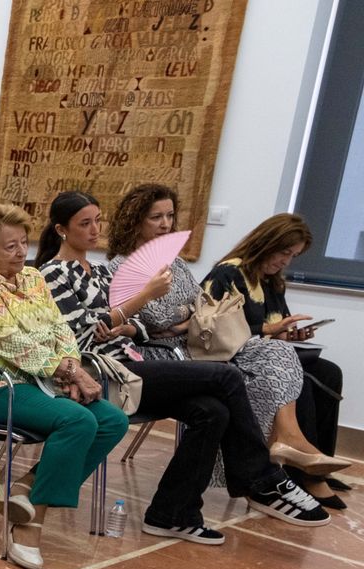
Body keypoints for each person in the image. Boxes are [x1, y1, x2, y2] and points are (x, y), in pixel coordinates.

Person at [36, 191, 329, 538]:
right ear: (61, 229)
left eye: (98, 220)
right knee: (227, 376)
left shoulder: (98, 271)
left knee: (214, 411)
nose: (95, 229)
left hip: (134, 358)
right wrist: (142, 302)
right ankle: (261, 479)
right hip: (106, 369)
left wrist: (130, 322)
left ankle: (171, 513)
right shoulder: (52, 273)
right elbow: (82, 333)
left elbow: (139, 326)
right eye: (85, 223)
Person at [112, 186, 329, 504]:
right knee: (236, 385)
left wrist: (179, 319)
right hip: (158, 356)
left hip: (195, 346)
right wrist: (176, 317)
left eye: (170, 216)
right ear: (135, 221)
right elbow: (156, 320)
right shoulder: (120, 266)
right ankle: (262, 468)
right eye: (156, 216)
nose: (165, 223)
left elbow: (195, 308)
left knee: (278, 353)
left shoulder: (176, 262)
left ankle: (286, 440)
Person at [0, 204, 129, 569]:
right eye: (8, 246)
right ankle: (30, 525)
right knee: (77, 422)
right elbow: (10, 342)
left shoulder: (31, 278)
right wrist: (69, 373)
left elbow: (60, 329)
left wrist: (72, 366)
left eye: (23, 244)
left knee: (111, 420)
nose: (19, 252)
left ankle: (25, 489)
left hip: (39, 380)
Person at [206, 214, 350, 506]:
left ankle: (319, 459)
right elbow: (212, 330)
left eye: (293, 256)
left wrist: (290, 336)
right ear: (267, 243)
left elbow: (274, 331)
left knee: (329, 372)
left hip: (270, 357)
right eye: (285, 252)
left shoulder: (271, 282)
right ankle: (305, 475)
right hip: (234, 360)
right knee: (305, 381)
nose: (286, 261)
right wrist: (271, 331)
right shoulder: (228, 275)